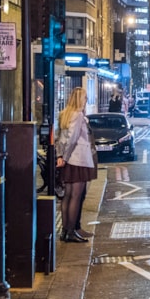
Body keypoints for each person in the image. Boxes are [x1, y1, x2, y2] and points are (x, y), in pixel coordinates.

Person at [56, 87, 97, 243]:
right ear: (79, 99)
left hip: (68, 160)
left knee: (67, 196)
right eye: (85, 97)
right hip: (78, 160)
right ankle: (71, 232)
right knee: (76, 196)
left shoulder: (64, 114)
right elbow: (72, 139)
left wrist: (60, 156)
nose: (86, 100)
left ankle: (65, 231)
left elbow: (62, 138)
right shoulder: (78, 115)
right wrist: (65, 158)